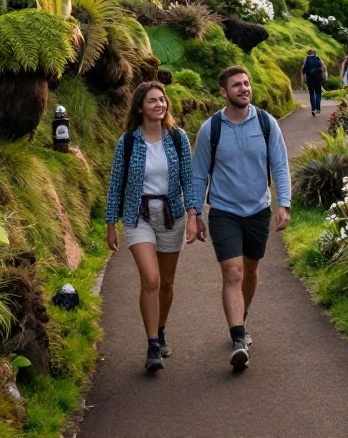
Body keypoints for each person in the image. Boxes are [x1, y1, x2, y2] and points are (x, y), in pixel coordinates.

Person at [191, 65, 291, 370]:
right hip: (224, 211)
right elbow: (198, 175)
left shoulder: (266, 123)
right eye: (237, 85)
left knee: (249, 270)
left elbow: (280, 164)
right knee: (232, 274)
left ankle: (241, 319)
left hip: (258, 210)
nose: (244, 88)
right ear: (224, 92)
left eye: (246, 84)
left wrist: (283, 203)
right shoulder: (211, 129)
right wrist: (196, 214)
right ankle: (238, 338)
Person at [105, 80, 200, 373]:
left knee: (167, 283)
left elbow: (189, 178)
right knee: (151, 279)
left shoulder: (178, 138)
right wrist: (111, 224)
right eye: (152, 101)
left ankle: (160, 329)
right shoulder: (128, 142)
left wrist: (194, 216)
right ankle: (152, 346)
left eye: (162, 100)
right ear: (140, 107)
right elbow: (116, 185)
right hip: (138, 216)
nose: (159, 105)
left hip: (172, 216)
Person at [300, 47, 328, 116]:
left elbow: (303, 70)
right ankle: (317, 109)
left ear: (308, 53)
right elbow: (324, 68)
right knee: (318, 93)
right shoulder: (318, 58)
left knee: (312, 94)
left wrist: (303, 79)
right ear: (314, 53)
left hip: (309, 80)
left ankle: (313, 109)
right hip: (318, 79)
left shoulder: (306, 59)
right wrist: (324, 75)